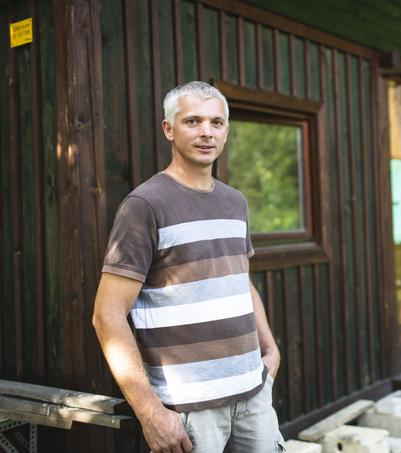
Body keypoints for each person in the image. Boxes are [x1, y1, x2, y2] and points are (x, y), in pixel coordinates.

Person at [92, 81, 283, 453]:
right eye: (193, 121)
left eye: (217, 122)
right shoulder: (144, 205)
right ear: (169, 129)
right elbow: (106, 315)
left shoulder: (235, 202)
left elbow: (240, 280)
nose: (206, 132)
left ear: (226, 130)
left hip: (253, 395)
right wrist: (149, 412)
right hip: (190, 408)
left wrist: (270, 348)